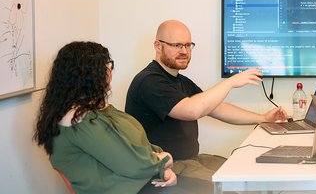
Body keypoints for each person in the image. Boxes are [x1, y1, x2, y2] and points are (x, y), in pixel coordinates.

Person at [125, 19, 288, 181]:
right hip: (169, 167)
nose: (184, 51)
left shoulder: (182, 82)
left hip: (191, 159)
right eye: (177, 45)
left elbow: (217, 108)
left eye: (188, 45)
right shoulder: (149, 81)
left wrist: (263, 118)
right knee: (236, 185)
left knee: (248, 172)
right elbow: (192, 110)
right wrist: (230, 82)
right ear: (158, 46)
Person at [33, 41, 200, 194]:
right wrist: (164, 160)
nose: (109, 72)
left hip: (145, 181)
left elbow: (135, 147)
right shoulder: (78, 120)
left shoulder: (95, 111)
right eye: (106, 66)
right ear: (88, 75)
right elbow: (133, 165)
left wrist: (160, 164)